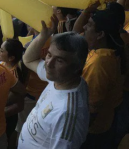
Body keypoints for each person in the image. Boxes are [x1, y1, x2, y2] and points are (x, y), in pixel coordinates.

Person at [18, 12, 90, 148]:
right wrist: (44, 35)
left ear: (77, 66)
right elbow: (29, 60)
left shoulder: (68, 114)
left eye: (60, 60)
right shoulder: (59, 77)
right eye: (49, 55)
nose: (48, 64)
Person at [73, 1, 125, 145]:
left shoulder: (99, 63)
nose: (84, 27)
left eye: (89, 25)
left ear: (100, 34)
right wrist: (86, 11)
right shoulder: (101, 48)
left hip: (95, 131)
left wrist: (79, 134)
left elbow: (92, 108)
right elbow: (76, 32)